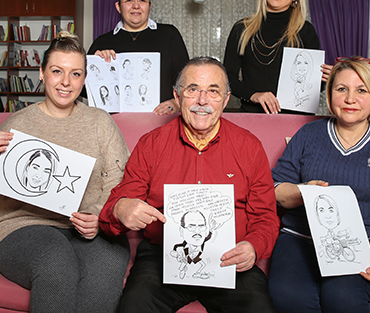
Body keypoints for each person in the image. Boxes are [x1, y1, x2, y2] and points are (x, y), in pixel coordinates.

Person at [99, 56, 280, 313]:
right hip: (162, 257)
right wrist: (121, 209)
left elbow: (266, 217)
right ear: (177, 96)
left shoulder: (248, 147)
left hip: (229, 259)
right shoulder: (151, 144)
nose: (202, 101)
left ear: (226, 99)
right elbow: (112, 210)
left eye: (213, 91)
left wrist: (254, 246)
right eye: (193, 89)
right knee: (134, 306)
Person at [0, 32, 131, 313]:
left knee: (109, 261)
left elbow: (119, 180)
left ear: (84, 79)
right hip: (22, 226)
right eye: (57, 71)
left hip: (85, 227)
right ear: (42, 73)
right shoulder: (17, 123)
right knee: (56, 261)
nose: (66, 82)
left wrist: (99, 215)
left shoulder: (100, 122)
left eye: (75, 74)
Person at [268, 56, 370, 313]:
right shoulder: (308, 134)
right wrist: (302, 192)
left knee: (342, 298)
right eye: (341, 89)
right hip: (301, 237)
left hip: (367, 239)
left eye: (361, 90)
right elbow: (277, 187)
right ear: (330, 95)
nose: (350, 98)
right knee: (288, 297)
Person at [223, 0, 331, 114]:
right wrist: (253, 95)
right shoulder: (242, 28)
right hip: (253, 116)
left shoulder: (305, 31)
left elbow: (311, 88)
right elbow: (227, 78)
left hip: (295, 119)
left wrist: (324, 78)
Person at [88, 0, 190, 115]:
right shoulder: (102, 42)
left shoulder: (169, 34)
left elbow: (188, 80)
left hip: (161, 120)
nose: (136, 6)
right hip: (115, 123)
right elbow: (82, 89)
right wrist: (96, 65)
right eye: (129, 0)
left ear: (149, 6)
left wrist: (176, 103)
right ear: (118, 7)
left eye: (142, 0)